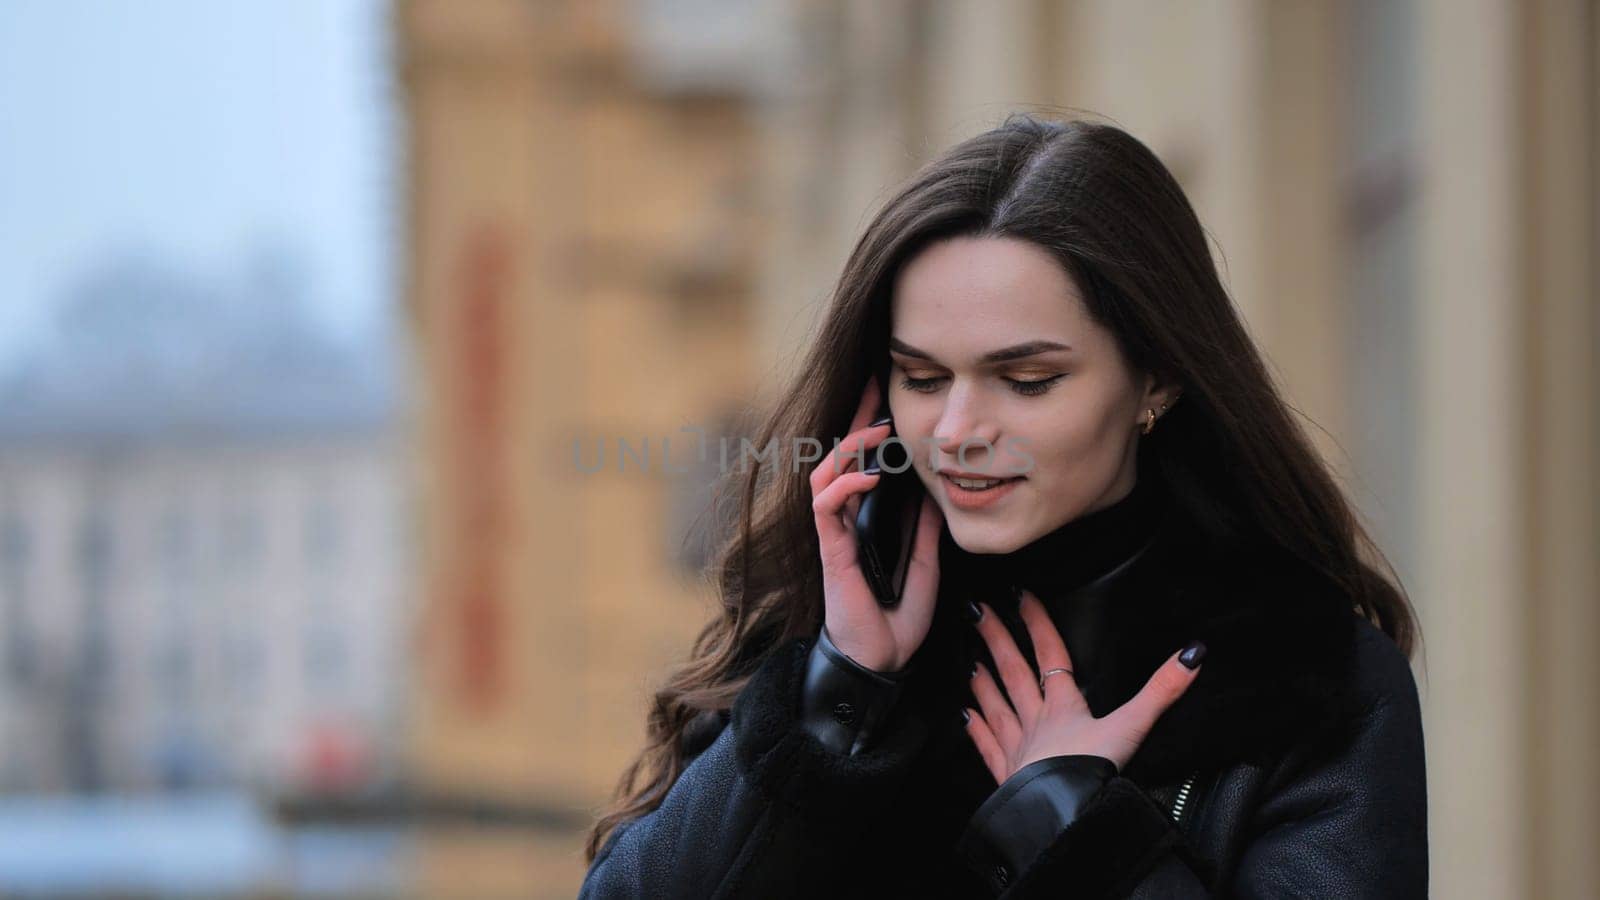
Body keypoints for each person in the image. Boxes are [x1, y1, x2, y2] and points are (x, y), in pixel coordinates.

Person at [578, 114, 1428, 898]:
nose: (956, 432)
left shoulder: (1309, 682)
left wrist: (1078, 834)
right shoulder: (826, 641)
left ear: (1158, 378)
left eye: (1026, 382)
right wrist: (839, 700)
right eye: (923, 378)